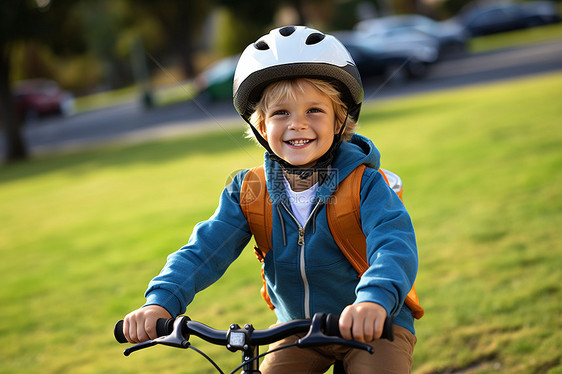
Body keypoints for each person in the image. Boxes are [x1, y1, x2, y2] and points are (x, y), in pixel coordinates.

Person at [122, 26, 419, 373]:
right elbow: (203, 250)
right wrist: (161, 301)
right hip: (299, 329)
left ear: (340, 120)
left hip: (375, 322)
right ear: (261, 127)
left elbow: (394, 246)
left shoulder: (365, 183)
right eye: (281, 113)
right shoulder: (248, 190)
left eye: (314, 111)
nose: (297, 125)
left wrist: (375, 299)